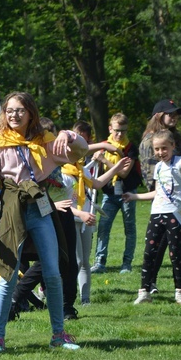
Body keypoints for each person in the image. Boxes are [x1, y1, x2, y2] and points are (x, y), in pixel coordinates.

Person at [0, 91, 88, 354]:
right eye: (10, 110)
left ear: (31, 113)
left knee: (52, 272)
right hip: (11, 213)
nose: (14, 115)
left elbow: (81, 150)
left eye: (20, 110)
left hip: (40, 211)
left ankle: (58, 334)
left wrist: (68, 134)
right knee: (7, 276)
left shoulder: (46, 142)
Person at [124, 130, 181, 306]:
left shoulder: (180, 161)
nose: (160, 152)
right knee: (149, 253)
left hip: (176, 214)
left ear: (173, 146)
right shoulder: (158, 167)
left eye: (164, 148)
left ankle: (180, 292)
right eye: (157, 149)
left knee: (175, 253)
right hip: (157, 213)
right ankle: (144, 291)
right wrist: (134, 197)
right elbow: (157, 192)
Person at [64, 121, 130, 304]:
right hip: (71, 219)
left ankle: (85, 300)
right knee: (74, 262)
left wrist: (116, 168)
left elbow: (97, 183)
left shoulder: (81, 170)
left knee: (85, 261)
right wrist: (80, 214)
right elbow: (59, 203)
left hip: (86, 220)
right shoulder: (62, 171)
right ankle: (58, 296)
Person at [139, 99, 181, 294]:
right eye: (170, 114)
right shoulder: (150, 140)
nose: (174, 117)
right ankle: (150, 282)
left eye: (176, 114)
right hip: (165, 197)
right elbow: (150, 172)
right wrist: (157, 194)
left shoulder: (176, 138)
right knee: (160, 241)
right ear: (159, 116)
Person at [90, 112, 142, 275]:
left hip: (128, 193)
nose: (120, 134)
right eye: (117, 130)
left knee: (129, 228)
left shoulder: (130, 148)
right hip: (109, 194)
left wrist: (105, 160)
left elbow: (125, 172)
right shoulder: (104, 145)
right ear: (110, 128)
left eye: (124, 131)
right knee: (104, 227)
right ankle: (100, 262)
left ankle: (127, 263)